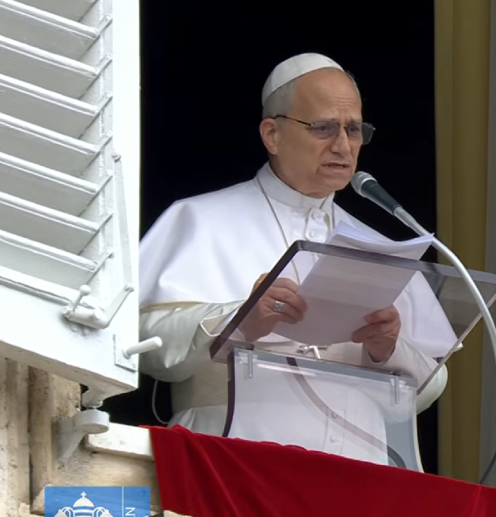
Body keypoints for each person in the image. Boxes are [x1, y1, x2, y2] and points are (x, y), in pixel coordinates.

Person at [137, 53, 448, 467]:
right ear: (272, 134)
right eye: (323, 127)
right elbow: (148, 346)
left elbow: (429, 389)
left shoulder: (381, 248)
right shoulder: (198, 218)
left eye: (353, 129)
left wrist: (388, 349)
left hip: (361, 471)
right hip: (233, 459)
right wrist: (239, 320)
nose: (342, 145)